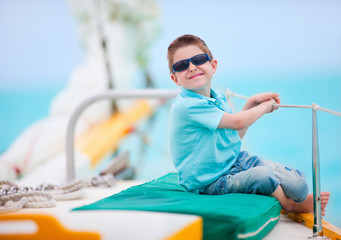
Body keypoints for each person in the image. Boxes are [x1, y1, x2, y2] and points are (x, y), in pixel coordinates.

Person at [168, 34, 329, 215]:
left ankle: (293, 197)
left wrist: (251, 103)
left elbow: (233, 137)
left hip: (235, 160)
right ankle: (289, 205)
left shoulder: (217, 96)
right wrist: (265, 107)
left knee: (299, 185)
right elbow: (238, 122)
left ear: (213, 66)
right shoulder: (187, 106)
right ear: (175, 79)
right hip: (210, 182)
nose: (191, 67)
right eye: (182, 65)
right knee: (263, 176)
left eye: (198, 60)